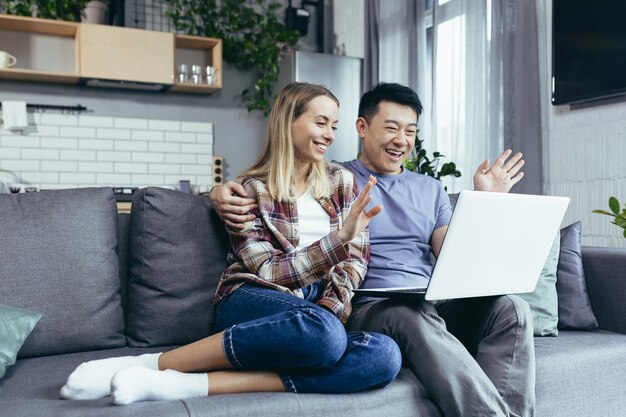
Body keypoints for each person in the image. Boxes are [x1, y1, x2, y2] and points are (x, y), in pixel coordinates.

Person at [60, 82, 402, 405]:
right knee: (324, 335)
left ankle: (189, 384)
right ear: (289, 123)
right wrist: (338, 241)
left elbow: (354, 262)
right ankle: (153, 364)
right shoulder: (248, 190)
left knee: (384, 355)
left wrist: (327, 311)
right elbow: (269, 271)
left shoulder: (341, 181)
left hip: (316, 307)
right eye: (321, 122)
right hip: (254, 296)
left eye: (335, 126)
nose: (330, 134)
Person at [211, 83, 533, 417]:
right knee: (408, 314)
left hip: (429, 302)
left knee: (513, 308)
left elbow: (457, 259)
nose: (401, 140)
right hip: (375, 306)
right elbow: (285, 176)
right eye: (391, 128)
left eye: (410, 131)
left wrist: (486, 201)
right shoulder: (337, 178)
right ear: (362, 128)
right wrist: (218, 193)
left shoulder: (431, 189)